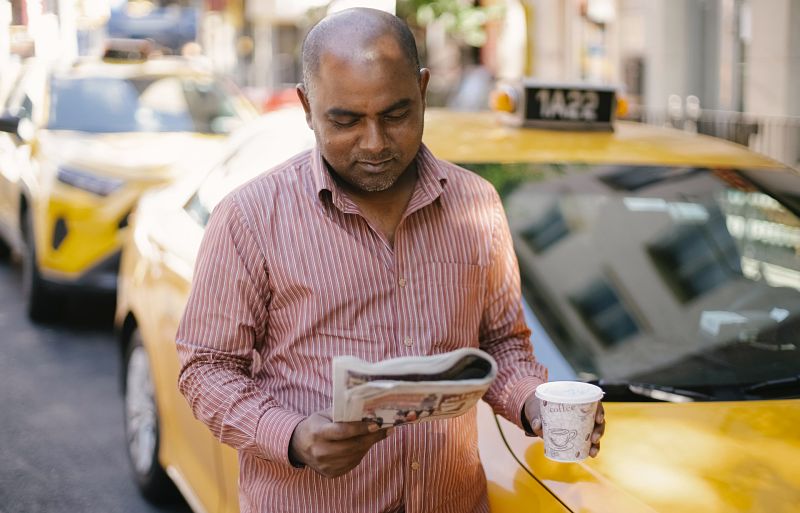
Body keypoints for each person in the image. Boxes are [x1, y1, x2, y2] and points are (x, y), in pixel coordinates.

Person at [176, 7, 605, 513]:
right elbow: (206, 367)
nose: (375, 143)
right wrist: (291, 436)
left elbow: (502, 345)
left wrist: (535, 402)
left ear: (423, 90)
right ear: (306, 107)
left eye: (396, 115)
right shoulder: (250, 218)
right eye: (346, 120)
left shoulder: (477, 204)